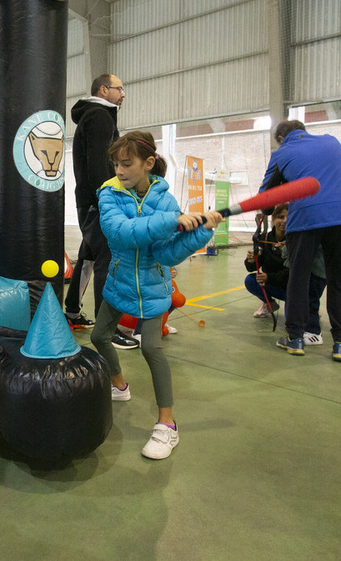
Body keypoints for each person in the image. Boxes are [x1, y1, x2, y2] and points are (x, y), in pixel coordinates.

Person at [91, 131, 222, 459]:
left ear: (148, 163)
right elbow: (121, 234)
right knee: (98, 336)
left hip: (152, 290)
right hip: (119, 285)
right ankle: (119, 386)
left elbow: (167, 254)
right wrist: (173, 221)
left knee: (151, 347)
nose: (119, 171)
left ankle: (167, 425)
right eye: (116, 164)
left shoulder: (165, 199)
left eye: (127, 164)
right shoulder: (110, 194)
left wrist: (200, 232)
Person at [261, 120, 341, 362]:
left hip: (306, 217)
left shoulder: (281, 153)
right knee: (340, 279)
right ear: (304, 130)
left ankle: (295, 338)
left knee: (299, 278)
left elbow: (266, 200)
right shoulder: (332, 141)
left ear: (282, 138)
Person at [64, 74, 139, 348]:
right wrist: (107, 199)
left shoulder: (95, 115)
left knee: (88, 255)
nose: (123, 94)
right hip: (98, 201)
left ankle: (71, 309)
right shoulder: (99, 116)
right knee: (108, 257)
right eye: (120, 89)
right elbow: (98, 164)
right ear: (104, 89)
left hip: (90, 199)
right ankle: (105, 331)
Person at [243, 204, 327, 345]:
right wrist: (251, 260)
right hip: (273, 283)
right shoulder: (264, 238)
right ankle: (269, 304)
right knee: (250, 280)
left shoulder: (297, 241)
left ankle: (308, 307)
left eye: (289, 217)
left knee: (292, 321)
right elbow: (253, 267)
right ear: (273, 219)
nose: (284, 221)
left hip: (292, 288)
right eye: (280, 217)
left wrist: (270, 277)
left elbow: (296, 271)